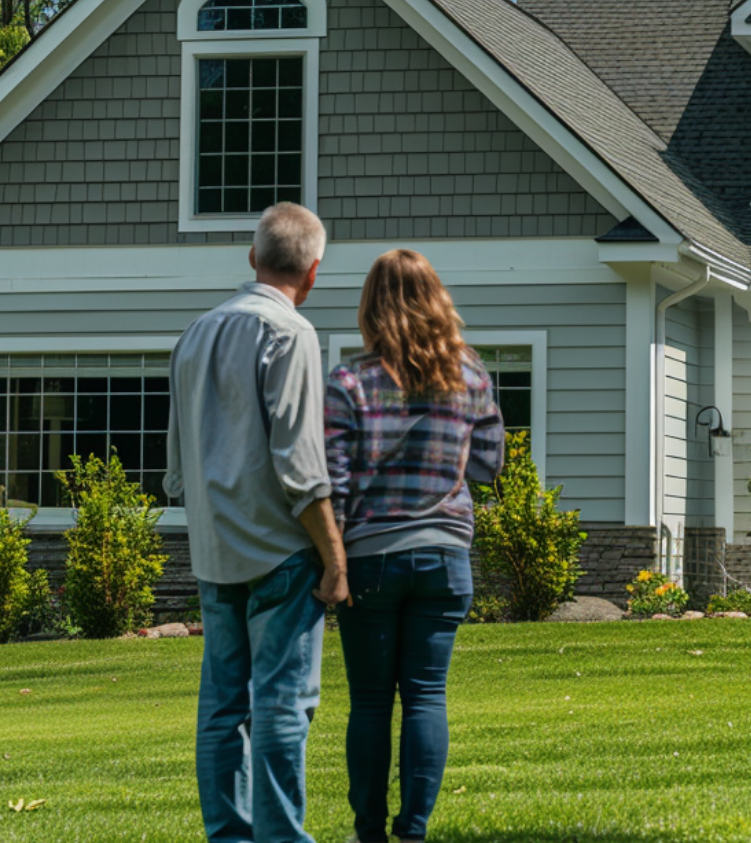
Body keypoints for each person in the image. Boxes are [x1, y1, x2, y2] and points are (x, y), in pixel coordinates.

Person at [165, 202, 348, 843]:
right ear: (314, 272)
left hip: (215, 554)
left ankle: (230, 837)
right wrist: (334, 556)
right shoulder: (291, 333)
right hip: (280, 554)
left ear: (253, 258)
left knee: (221, 709)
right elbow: (300, 465)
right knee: (281, 707)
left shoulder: (194, 333)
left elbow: (176, 469)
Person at [325, 249, 504, 843]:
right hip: (445, 558)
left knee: (371, 702)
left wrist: (334, 562)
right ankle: (414, 831)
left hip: (371, 558)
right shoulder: (471, 375)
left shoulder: (349, 381)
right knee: (426, 696)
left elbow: (335, 481)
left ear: (372, 307)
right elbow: (487, 467)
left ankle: (368, 833)